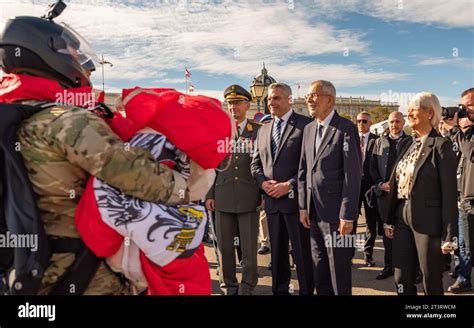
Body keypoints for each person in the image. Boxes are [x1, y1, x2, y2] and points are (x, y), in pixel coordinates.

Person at [0, 11, 184, 295]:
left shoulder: (11, 114)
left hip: (23, 269)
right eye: (69, 49)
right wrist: (186, 184)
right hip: (81, 273)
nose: (80, 60)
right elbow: (142, 178)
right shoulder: (68, 120)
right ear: (43, 51)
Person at [385, 92, 458, 295]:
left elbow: (450, 193)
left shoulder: (442, 145)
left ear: (429, 113)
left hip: (428, 221)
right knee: (400, 276)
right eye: (407, 108)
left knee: (430, 278)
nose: (408, 112)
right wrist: (389, 219)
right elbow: (396, 181)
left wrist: (449, 235)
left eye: (414, 108)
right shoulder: (408, 143)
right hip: (401, 216)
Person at [298, 80, 361, 295]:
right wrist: (303, 207)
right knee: (320, 270)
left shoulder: (346, 129)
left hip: (336, 216)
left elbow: (351, 175)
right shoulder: (307, 129)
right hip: (313, 213)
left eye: (314, 95)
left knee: (339, 272)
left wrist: (347, 215)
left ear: (329, 99)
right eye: (308, 95)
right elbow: (303, 171)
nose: (309, 99)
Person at [251, 82, 314, 295]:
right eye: (269, 99)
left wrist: (289, 184)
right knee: (277, 256)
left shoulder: (307, 125)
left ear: (289, 100)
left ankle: (307, 290)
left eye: (276, 98)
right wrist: (262, 183)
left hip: (298, 204)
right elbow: (255, 164)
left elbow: (313, 165)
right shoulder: (263, 130)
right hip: (272, 203)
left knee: (302, 254)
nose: (271, 102)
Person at [205, 85, 261, 295]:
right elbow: (210, 165)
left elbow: (264, 163)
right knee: (224, 248)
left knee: (248, 248)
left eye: (237, 103)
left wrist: (262, 193)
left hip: (248, 196)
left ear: (247, 105)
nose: (233, 107)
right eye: (230, 103)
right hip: (222, 196)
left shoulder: (258, 130)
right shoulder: (218, 129)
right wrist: (209, 194)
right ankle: (228, 286)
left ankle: (247, 286)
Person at [441, 87, 474, 293]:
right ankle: (463, 275)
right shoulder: (466, 131)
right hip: (462, 195)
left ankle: (464, 276)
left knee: (469, 244)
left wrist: (456, 129)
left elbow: (471, 152)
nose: (464, 109)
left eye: (469, 105)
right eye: (463, 105)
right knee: (462, 243)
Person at [370, 111, 408, 279]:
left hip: (403, 195)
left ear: (403, 122)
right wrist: (380, 184)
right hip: (384, 195)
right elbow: (371, 167)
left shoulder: (411, 142)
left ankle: (409, 268)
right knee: (387, 232)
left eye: (397, 121)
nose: (394, 125)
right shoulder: (378, 142)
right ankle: (388, 266)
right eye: (392, 122)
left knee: (405, 232)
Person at [355, 111, 380, 266]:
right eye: (358, 121)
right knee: (351, 220)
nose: (361, 124)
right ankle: (348, 254)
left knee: (371, 222)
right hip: (353, 185)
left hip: (370, 186)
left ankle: (368, 254)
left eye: (364, 121)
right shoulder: (349, 140)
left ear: (370, 123)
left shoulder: (377, 140)